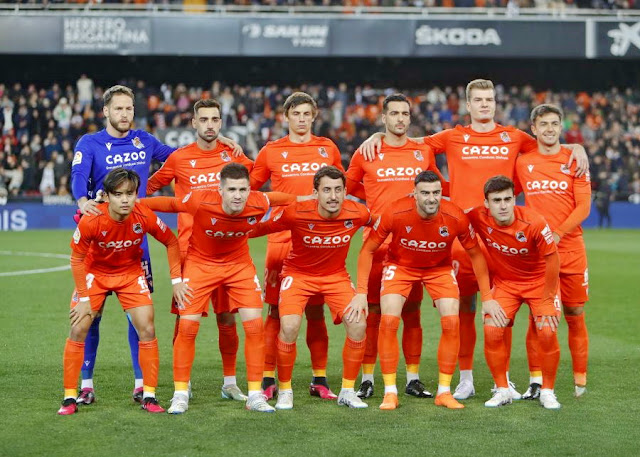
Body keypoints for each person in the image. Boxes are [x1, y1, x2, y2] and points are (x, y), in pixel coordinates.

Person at [359, 79, 588, 401]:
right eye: (478, 100)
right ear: (468, 105)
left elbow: (547, 144)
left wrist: (576, 146)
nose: (485, 104)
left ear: (496, 103)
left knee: (518, 311)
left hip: (506, 240)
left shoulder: (514, 137)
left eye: (490, 99)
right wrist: (378, 135)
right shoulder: (452, 136)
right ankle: (465, 378)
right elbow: (412, 142)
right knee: (465, 308)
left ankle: (526, 380)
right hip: (463, 236)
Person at [71, 85, 240, 405]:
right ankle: (87, 383)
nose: (124, 114)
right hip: (99, 239)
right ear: (105, 111)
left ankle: (140, 384)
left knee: (140, 316)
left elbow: (183, 159)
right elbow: (79, 173)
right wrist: (82, 199)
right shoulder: (90, 143)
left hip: (135, 243)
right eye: (118, 109)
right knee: (91, 315)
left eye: (129, 109)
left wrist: (219, 144)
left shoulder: (144, 141)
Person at [142, 163, 294, 414]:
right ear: (220, 190)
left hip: (239, 266)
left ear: (249, 189)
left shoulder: (259, 201)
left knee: (254, 327)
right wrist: (135, 203)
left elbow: (285, 199)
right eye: (232, 189)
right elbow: (170, 204)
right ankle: (180, 394)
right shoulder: (201, 200)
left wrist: (310, 198)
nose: (238, 195)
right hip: (200, 265)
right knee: (188, 326)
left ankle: (255, 395)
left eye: (243, 189)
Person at [351, 171, 496, 410]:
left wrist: (488, 297)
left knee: (452, 321)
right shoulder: (395, 212)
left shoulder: (455, 216)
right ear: (414, 194)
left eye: (436, 193)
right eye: (425, 193)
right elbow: (367, 250)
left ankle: (444, 392)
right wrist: (361, 292)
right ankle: (390, 392)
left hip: (439, 269)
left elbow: (476, 255)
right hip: (400, 267)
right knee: (389, 321)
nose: (431, 198)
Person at [57, 168, 190, 415]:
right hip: (95, 273)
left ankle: (148, 394)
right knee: (78, 327)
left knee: (147, 328)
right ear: (107, 196)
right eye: (118, 194)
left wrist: (176, 280)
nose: (126, 199)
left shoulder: (143, 214)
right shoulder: (92, 219)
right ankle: (69, 397)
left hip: (130, 274)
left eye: (130, 193)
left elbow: (171, 242)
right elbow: (76, 259)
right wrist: (84, 299)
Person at [146, 98, 254, 401]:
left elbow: (256, 179)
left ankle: (230, 382)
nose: (209, 124)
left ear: (221, 123)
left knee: (227, 318)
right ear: (193, 123)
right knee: (184, 319)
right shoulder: (180, 158)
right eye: (203, 119)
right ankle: (184, 383)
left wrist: (242, 153)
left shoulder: (231, 156)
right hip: (189, 252)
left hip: (228, 249)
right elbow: (150, 187)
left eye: (215, 119)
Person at [345, 93, 449, 400]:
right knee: (373, 313)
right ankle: (368, 378)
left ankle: (412, 378)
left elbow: (439, 188)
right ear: (383, 118)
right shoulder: (366, 153)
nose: (400, 118)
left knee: (412, 313)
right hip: (378, 246)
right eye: (394, 114)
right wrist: (369, 210)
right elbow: (346, 189)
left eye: (405, 113)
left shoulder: (422, 151)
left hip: (415, 246)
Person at [249, 92, 349, 400]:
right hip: (282, 240)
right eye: (296, 114)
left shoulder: (327, 148)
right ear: (286, 117)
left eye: (307, 113)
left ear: (314, 116)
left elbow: (340, 190)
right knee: (276, 311)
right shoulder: (271, 151)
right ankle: (268, 378)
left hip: (320, 241)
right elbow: (251, 190)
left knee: (316, 312)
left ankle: (319, 379)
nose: (302, 119)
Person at [249, 166, 371, 410]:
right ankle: (285, 390)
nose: (333, 196)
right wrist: (227, 226)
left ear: (346, 191)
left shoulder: (357, 213)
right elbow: (260, 228)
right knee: (290, 326)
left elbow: (386, 223)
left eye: (338, 190)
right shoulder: (296, 212)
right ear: (315, 192)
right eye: (326, 190)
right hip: (298, 275)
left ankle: (347, 391)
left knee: (358, 324)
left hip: (335, 276)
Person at [515, 104, 591, 398]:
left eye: (554, 124)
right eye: (543, 124)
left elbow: (584, 206)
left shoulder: (574, 160)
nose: (549, 128)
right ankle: (536, 382)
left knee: (575, 311)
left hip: (571, 249)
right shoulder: (523, 162)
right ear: (533, 129)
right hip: (538, 254)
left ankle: (579, 379)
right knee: (539, 316)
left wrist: (557, 233)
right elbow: (503, 193)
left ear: (562, 127)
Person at [467, 175, 562, 410]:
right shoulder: (476, 216)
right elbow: (448, 214)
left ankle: (548, 391)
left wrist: (549, 299)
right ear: (486, 203)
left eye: (507, 199)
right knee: (491, 329)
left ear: (514, 199)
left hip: (539, 283)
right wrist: (487, 298)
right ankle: (502, 390)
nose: (502, 205)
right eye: (496, 200)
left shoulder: (534, 222)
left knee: (547, 332)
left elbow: (553, 260)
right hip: (506, 284)